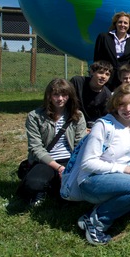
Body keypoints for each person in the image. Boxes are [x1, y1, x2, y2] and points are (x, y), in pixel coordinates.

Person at [75, 84, 130, 245]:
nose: (127, 109)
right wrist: (123, 168)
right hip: (92, 181)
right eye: (121, 104)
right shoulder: (103, 125)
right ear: (115, 104)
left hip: (122, 178)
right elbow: (88, 163)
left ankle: (112, 205)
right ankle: (96, 221)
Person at [20, 78, 87, 206]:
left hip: (70, 158)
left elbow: (80, 144)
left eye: (64, 95)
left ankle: (56, 186)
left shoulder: (77, 116)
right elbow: (36, 148)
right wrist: (59, 168)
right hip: (47, 160)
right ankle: (44, 188)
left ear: (70, 96)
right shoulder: (35, 116)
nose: (60, 99)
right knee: (33, 183)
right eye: (56, 94)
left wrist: (72, 165)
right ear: (49, 96)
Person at [93, 11, 130, 90]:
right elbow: (97, 59)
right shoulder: (103, 37)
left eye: (125, 23)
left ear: (129, 25)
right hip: (106, 77)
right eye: (120, 22)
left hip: (123, 79)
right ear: (115, 24)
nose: (122, 25)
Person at [70, 60, 113, 129]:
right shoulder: (77, 82)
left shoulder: (107, 95)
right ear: (92, 72)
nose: (103, 76)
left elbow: (105, 118)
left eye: (107, 74)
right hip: (71, 121)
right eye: (101, 73)